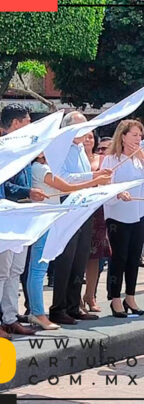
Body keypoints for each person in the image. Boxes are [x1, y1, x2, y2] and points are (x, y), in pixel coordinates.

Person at [27, 154, 111, 330]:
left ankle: (38, 312)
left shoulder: (48, 168)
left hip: (51, 219)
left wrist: (95, 177)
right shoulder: (39, 168)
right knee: (38, 269)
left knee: (39, 268)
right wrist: (95, 180)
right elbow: (66, 187)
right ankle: (37, 312)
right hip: (43, 220)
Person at [49, 111, 112, 326]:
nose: (86, 132)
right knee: (66, 259)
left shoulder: (79, 149)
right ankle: (58, 308)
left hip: (84, 207)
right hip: (67, 205)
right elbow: (64, 177)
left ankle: (74, 305)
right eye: (81, 126)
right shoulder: (60, 147)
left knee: (80, 258)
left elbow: (83, 175)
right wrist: (93, 177)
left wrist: (96, 177)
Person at [100, 120, 144, 318]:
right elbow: (106, 186)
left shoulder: (140, 159)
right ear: (123, 136)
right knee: (119, 257)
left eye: (140, 135)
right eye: (134, 135)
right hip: (118, 215)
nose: (138, 139)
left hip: (138, 213)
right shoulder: (111, 159)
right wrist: (118, 193)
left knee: (134, 257)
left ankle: (130, 296)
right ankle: (115, 298)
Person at [0, 104, 47, 337]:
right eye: (28, 121)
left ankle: (9, 317)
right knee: (2, 270)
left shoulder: (24, 148)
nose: (31, 125)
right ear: (16, 123)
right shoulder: (3, 149)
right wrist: (27, 192)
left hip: (22, 214)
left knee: (15, 269)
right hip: (7, 214)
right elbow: (4, 186)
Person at [84, 133, 111, 313]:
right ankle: (74, 297)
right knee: (79, 257)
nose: (88, 140)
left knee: (95, 257)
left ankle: (90, 295)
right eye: (85, 137)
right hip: (78, 209)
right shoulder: (71, 158)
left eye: (91, 137)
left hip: (98, 210)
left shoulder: (102, 159)